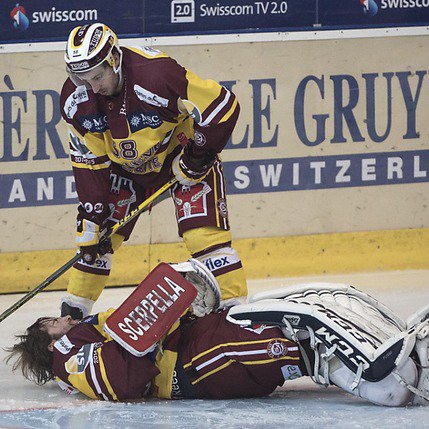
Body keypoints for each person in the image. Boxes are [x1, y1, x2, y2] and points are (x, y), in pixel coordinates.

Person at [6, 270, 429, 407]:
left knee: (288, 311)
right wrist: (149, 332)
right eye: (50, 322)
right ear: (47, 340)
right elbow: (122, 379)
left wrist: (183, 307)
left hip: (195, 343)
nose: (59, 319)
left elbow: (144, 326)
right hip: (194, 367)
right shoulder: (67, 356)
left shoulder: (89, 329)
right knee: (284, 343)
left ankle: (388, 347)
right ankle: (384, 383)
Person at [59, 22, 247, 320]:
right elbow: (88, 159)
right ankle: (72, 318)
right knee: (95, 242)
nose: (92, 88)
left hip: (179, 158)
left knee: (203, 238)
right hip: (125, 171)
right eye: (82, 78)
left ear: (115, 60)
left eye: (97, 76)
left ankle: (236, 316)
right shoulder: (76, 99)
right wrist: (93, 214)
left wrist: (198, 157)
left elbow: (222, 105)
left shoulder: (157, 74)